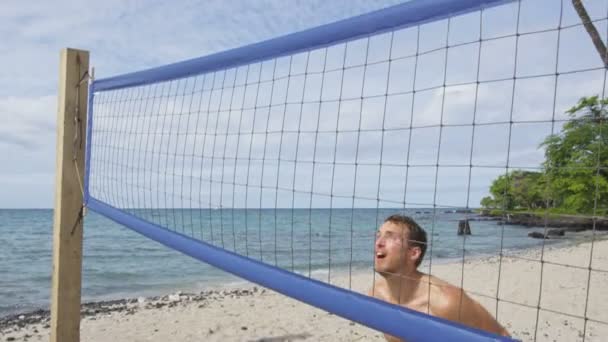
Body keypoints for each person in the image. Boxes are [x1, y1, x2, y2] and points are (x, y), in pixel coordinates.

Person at [368, 214, 509, 341]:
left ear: (413, 253)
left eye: (390, 237)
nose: (378, 242)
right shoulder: (377, 295)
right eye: (378, 235)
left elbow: (501, 336)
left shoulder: (447, 302)